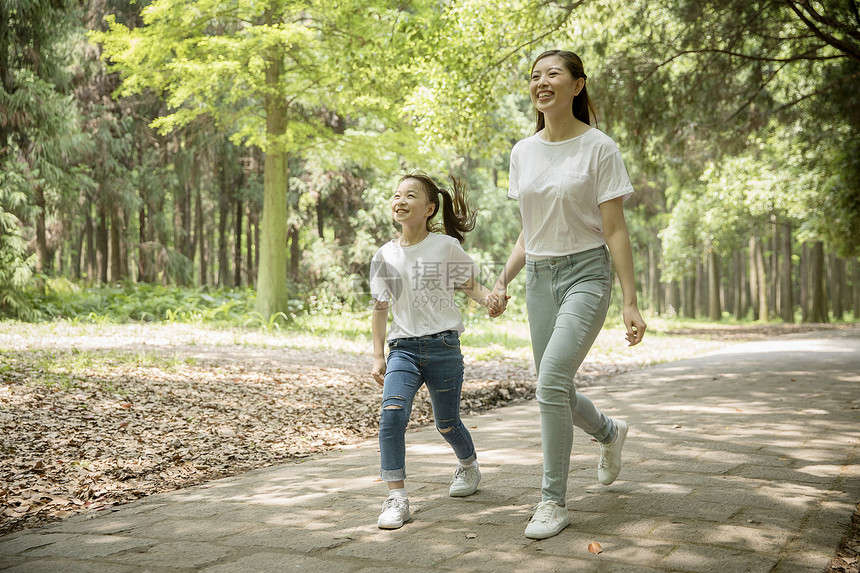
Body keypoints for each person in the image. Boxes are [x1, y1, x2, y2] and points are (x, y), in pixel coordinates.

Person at [492, 49, 647, 540]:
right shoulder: (522, 152)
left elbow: (615, 229)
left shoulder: (599, 148)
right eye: (535, 76)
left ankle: (551, 501)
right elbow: (528, 230)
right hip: (539, 276)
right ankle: (608, 432)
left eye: (553, 74)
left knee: (552, 378)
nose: (542, 83)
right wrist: (503, 279)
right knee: (552, 385)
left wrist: (630, 300)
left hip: (587, 273)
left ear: (577, 85)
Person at [369, 173, 504, 530]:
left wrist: (491, 301)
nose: (400, 200)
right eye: (396, 194)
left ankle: (468, 465)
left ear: (429, 208)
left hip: (444, 346)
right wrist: (377, 355)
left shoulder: (444, 247)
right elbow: (380, 308)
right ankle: (396, 496)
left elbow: (472, 286)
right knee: (392, 415)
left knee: (446, 423)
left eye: (410, 195)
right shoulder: (384, 255)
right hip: (403, 350)